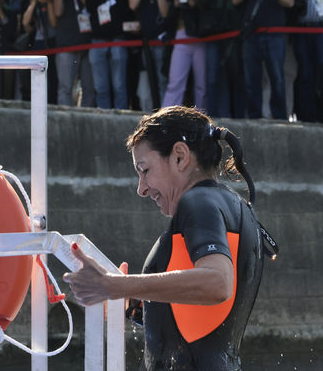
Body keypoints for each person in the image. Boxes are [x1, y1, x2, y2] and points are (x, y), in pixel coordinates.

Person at [64, 105, 273, 371]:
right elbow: (195, 321)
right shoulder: (232, 206)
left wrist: (115, 285)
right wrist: (131, 304)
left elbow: (218, 283)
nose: (141, 188)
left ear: (179, 157)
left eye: (145, 170)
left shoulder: (198, 202)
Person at [233, 0, 294, 120]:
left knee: (277, 79)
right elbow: (236, 0)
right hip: (252, 36)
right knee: (252, 80)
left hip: (275, 36)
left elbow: (289, 2)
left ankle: (280, 117)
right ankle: (254, 116)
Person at [162, 0, 206, 109]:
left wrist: (196, 5)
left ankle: (203, 119)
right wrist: (175, 6)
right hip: (181, 38)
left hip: (201, 41)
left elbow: (208, 20)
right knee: (175, 82)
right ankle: (167, 116)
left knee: (201, 84)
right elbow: (168, 22)